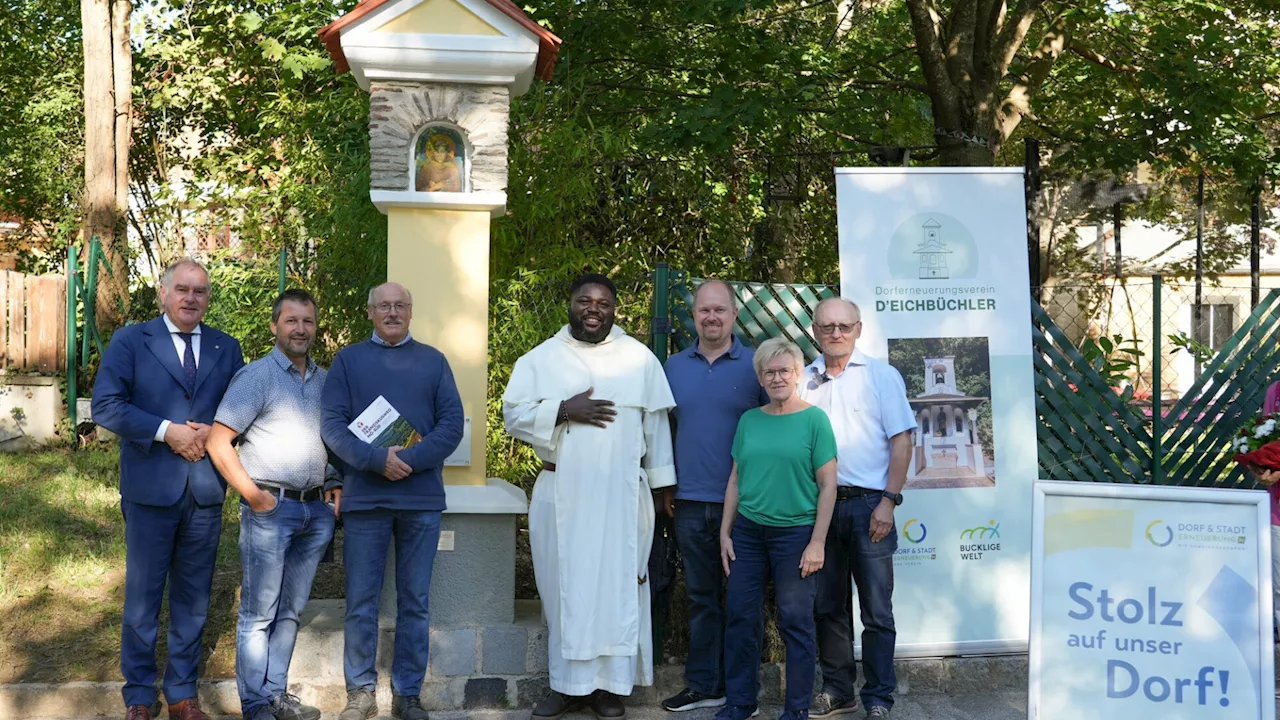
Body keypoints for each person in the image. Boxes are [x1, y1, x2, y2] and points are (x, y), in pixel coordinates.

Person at [502, 273, 676, 720]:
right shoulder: (541, 359)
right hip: (561, 491)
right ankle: (567, 687)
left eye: (602, 302)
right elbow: (514, 418)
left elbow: (656, 431)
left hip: (622, 496)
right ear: (570, 304)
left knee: (619, 586)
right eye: (584, 300)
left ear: (615, 309)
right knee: (564, 589)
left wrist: (662, 487)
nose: (593, 308)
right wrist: (563, 410)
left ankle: (610, 690)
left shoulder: (638, 359)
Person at [91, 259, 245, 720]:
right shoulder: (131, 341)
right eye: (182, 289)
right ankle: (139, 695)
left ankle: (181, 692)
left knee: (193, 597)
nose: (191, 298)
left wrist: (212, 435)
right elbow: (106, 406)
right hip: (150, 490)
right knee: (143, 596)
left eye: (200, 291)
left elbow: (238, 411)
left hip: (204, 491)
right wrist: (167, 431)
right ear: (163, 293)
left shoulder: (226, 347)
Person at [320, 282, 465, 720]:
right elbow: (331, 426)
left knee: (415, 601)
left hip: (420, 500)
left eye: (401, 305)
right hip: (366, 500)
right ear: (369, 312)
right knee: (361, 600)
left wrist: (411, 460)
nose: (393, 312)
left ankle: (407, 693)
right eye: (384, 305)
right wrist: (375, 460)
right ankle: (360, 692)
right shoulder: (348, 361)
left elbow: (452, 424)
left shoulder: (434, 362)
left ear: (411, 312)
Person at [205, 289, 339, 720]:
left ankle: (277, 694)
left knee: (291, 611)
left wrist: (334, 482)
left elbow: (330, 441)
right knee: (259, 613)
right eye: (291, 321)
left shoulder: (325, 381)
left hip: (315, 512)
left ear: (316, 327)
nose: (300, 329)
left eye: (308, 322)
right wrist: (253, 496)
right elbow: (217, 440)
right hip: (270, 510)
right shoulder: (257, 377)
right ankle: (256, 704)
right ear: (275, 326)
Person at [798, 298, 915, 719]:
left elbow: (902, 442)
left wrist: (889, 501)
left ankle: (879, 696)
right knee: (827, 606)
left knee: (876, 610)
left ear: (859, 329)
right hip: (818, 512)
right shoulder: (803, 379)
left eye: (844, 326)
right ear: (814, 330)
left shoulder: (882, 376)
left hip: (870, 507)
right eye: (827, 326)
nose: (835, 333)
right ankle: (838, 690)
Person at [660, 280, 767, 713]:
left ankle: (743, 692)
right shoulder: (671, 367)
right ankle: (705, 685)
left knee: (743, 603)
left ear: (734, 315)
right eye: (704, 310)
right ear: (694, 316)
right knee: (702, 599)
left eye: (719, 310)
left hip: (745, 506)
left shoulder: (756, 366)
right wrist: (664, 485)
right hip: (688, 502)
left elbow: (775, 425)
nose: (711, 318)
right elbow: (661, 431)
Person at [717, 337, 837, 720]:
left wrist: (817, 542)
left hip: (796, 534)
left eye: (784, 369)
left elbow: (828, 485)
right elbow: (736, 479)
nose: (777, 377)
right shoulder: (749, 420)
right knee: (739, 615)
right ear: (760, 378)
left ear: (798, 374)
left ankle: (797, 708)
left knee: (796, 621)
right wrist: (725, 531)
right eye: (769, 371)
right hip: (749, 534)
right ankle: (741, 702)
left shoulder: (814, 420)